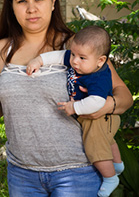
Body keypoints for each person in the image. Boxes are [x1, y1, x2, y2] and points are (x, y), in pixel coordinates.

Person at [0, 0, 132, 196]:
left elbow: (124, 96)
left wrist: (104, 106)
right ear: (11, 7)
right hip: (22, 174)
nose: (31, 8)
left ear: (53, 1)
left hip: (77, 172)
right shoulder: (0, 51)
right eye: (21, 1)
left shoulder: (77, 48)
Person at [26, 25, 123, 197]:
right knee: (107, 140)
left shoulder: (97, 76)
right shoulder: (79, 61)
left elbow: (97, 101)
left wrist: (74, 107)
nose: (75, 61)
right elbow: (57, 56)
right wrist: (39, 60)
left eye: (82, 58)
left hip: (98, 119)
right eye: (73, 54)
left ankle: (110, 177)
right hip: (100, 120)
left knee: (95, 147)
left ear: (100, 61)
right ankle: (117, 164)